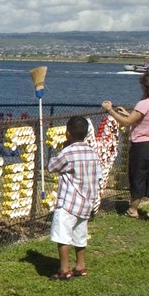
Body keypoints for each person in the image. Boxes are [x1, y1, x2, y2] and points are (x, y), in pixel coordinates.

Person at [102, 72, 149, 222]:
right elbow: (145, 120)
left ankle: (133, 210)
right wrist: (128, 114)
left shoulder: (144, 104)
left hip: (143, 146)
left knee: (138, 177)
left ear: (143, 86)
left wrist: (110, 110)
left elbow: (127, 123)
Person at [46, 117, 101, 280]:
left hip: (69, 202)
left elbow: (51, 167)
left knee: (62, 235)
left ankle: (64, 269)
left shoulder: (68, 152)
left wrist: (62, 150)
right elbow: (98, 175)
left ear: (67, 133)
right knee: (80, 234)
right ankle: (80, 265)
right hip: (86, 202)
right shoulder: (92, 152)